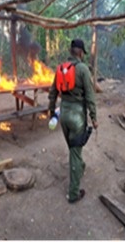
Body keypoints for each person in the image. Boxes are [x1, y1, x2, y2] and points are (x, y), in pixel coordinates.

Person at [48, 38, 98, 204]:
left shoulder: (60, 68)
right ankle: (73, 193)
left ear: (71, 52)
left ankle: (79, 167)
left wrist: (51, 113)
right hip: (77, 116)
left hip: (63, 114)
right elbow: (90, 96)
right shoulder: (83, 69)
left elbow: (53, 92)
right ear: (81, 53)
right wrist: (94, 118)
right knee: (75, 152)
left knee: (73, 149)